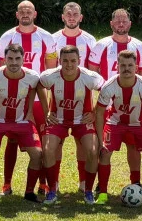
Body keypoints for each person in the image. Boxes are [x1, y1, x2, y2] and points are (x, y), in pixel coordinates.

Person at [0, 0, 57, 195]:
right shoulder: (7, 37)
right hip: (13, 98)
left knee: (41, 142)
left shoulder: (46, 37)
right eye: (22, 11)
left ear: (35, 14)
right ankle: (7, 184)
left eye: (28, 11)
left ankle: (42, 183)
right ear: (17, 14)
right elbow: (1, 70)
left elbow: (51, 71)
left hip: (38, 100)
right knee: (11, 140)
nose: (25, 14)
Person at [88, 8, 142, 189]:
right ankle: (101, 186)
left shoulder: (139, 46)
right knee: (104, 148)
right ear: (111, 24)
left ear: (130, 24)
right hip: (108, 105)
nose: (121, 23)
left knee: (134, 147)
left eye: (124, 20)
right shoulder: (101, 45)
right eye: (117, 21)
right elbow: (93, 74)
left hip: (134, 107)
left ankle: (136, 183)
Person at [39, 45, 104, 204]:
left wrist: (94, 112)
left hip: (82, 120)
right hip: (58, 120)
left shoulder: (89, 77)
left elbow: (105, 90)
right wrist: (47, 110)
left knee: (93, 150)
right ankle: (52, 190)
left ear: (79, 61)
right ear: (59, 61)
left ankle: (88, 190)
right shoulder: (50, 76)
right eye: (65, 61)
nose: (69, 64)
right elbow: (39, 85)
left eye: (73, 61)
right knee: (47, 150)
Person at [0, 43, 46, 203]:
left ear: (23, 59)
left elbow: (38, 88)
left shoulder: (32, 76)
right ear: (4, 59)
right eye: (10, 58)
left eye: (17, 58)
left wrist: (35, 111)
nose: (14, 62)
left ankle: (29, 193)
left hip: (22, 121)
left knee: (37, 155)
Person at [95, 50, 142, 205]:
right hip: (115, 123)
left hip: (140, 123)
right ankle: (103, 194)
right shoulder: (109, 85)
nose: (126, 68)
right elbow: (99, 113)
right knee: (104, 153)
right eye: (123, 65)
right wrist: (100, 141)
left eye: (130, 65)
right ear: (117, 66)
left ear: (136, 67)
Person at [51, 2, 97, 192]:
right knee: (57, 142)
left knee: (82, 142)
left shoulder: (90, 40)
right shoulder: (53, 39)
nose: (71, 17)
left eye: (75, 14)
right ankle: (55, 182)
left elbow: (94, 74)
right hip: (59, 99)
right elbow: (50, 73)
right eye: (68, 14)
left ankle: (83, 183)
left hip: (82, 99)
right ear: (62, 17)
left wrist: (93, 107)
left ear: (81, 17)